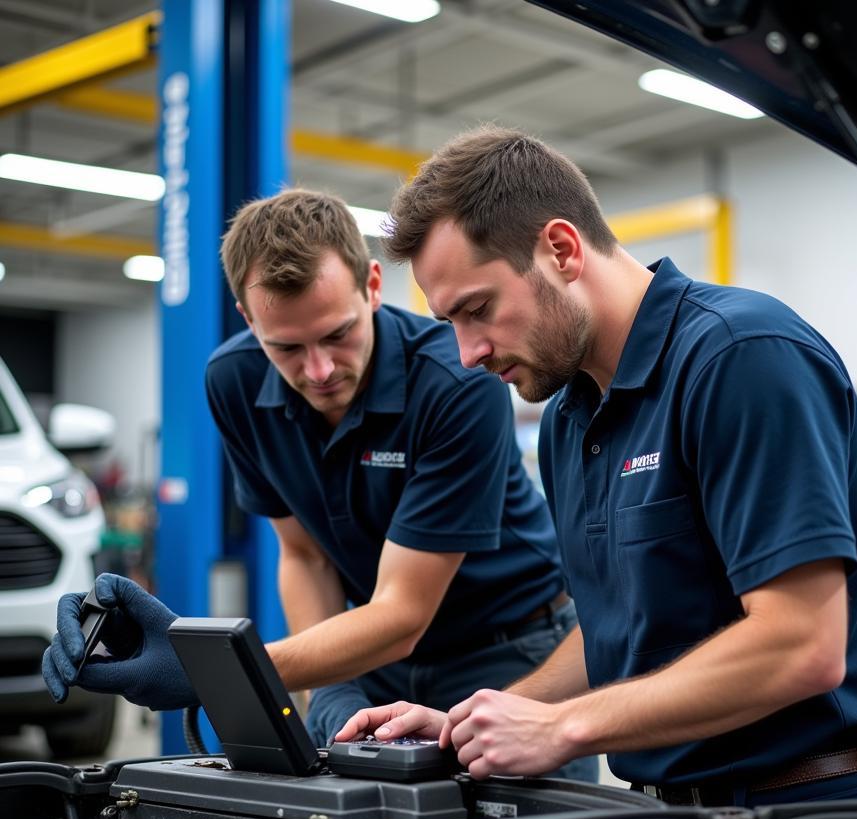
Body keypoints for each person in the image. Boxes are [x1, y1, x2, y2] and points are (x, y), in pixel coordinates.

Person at [336, 125, 857, 806]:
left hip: (823, 813)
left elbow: (801, 644)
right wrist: (474, 724)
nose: (467, 353)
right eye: (450, 324)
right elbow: (619, 633)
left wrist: (565, 727)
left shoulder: (740, 356)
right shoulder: (569, 419)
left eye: (478, 310)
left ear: (561, 249)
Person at [41, 187, 597, 781]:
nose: (320, 370)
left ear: (374, 287)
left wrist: (217, 670)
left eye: (338, 334)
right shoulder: (233, 381)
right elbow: (303, 554)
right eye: (287, 347)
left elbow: (403, 615)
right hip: (371, 653)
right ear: (247, 317)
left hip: (511, 650)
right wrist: (331, 684)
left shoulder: (453, 381)